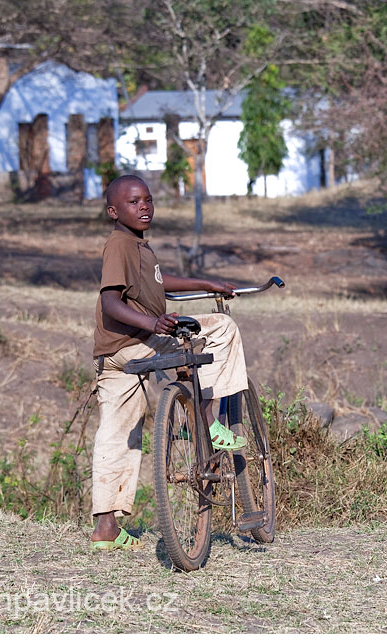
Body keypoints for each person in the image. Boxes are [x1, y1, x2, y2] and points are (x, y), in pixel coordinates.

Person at [90, 174, 248, 550]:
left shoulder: (137, 245)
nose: (144, 206)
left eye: (147, 199)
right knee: (221, 328)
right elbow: (110, 302)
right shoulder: (120, 245)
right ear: (114, 211)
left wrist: (205, 283)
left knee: (117, 435)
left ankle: (105, 529)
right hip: (138, 341)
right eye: (133, 202)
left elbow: (159, 284)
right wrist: (152, 322)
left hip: (111, 353)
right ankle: (207, 423)